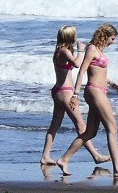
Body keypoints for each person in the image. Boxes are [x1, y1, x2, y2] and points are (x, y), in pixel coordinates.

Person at [57, 23, 118, 179]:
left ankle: (64, 159)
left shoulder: (98, 51)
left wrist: (112, 83)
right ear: (105, 36)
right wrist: (75, 94)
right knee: (112, 128)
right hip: (95, 91)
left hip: (100, 90)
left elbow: (100, 72)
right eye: (112, 38)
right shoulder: (92, 49)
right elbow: (82, 71)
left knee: (90, 132)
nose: (113, 42)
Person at [39, 25, 97, 168]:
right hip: (65, 92)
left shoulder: (58, 50)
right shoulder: (64, 51)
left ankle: (45, 156)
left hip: (58, 91)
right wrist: (81, 50)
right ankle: (95, 155)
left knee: (55, 126)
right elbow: (77, 64)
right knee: (81, 125)